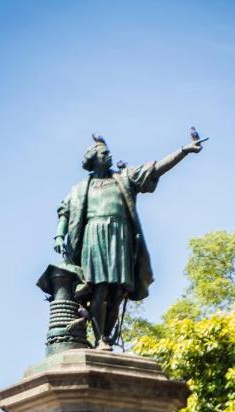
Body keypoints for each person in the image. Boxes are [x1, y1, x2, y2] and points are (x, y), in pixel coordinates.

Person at [54, 134, 203, 348]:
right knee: (100, 288)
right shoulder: (79, 190)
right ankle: (99, 339)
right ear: (93, 158)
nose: (110, 155)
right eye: (105, 153)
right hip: (94, 236)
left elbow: (155, 168)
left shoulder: (124, 178)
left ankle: (106, 336)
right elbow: (65, 212)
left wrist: (184, 151)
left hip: (120, 236)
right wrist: (60, 235)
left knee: (118, 292)